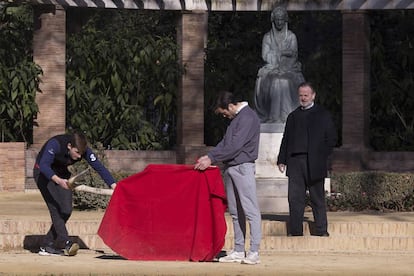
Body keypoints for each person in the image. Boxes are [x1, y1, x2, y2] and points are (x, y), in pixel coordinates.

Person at [194, 91, 262, 265]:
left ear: (231, 106)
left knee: (250, 210)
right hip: (232, 167)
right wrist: (209, 156)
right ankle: (239, 250)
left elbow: (235, 146)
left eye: (225, 112)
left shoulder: (247, 117)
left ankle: (254, 251)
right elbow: (225, 143)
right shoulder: (237, 119)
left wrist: (211, 158)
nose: (225, 116)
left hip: (243, 166)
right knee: (235, 211)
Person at [33, 130, 117, 256]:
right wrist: (58, 180)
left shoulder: (84, 150)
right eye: (77, 153)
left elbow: (99, 167)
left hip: (63, 175)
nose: (79, 157)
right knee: (55, 208)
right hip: (43, 174)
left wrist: (114, 186)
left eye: (81, 154)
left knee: (66, 210)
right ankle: (66, 243)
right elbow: (44, 165)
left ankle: (47, 244)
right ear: (69, 147)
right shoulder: (55, 144)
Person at [277, 82, 337, 237]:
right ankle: (296, 232)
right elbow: (286, 139)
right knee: (295, 199)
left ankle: (321, 231)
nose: (303, 98)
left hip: (315, 162)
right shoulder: (293, 116)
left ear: (313, 95)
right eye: (301, 95)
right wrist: (281, 159)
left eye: (306, 95)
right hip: (295, 162)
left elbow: (331, 139)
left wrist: (321, 155)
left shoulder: (323, 114)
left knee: (317, 198)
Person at [254, 6, 305, 124]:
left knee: (285, 81)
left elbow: (294, 54)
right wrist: (281, 54)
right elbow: (265, 55)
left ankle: (287, 116)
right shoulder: (267, 37)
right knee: (276, 81)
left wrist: (283, 58)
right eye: (277, 19)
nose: (279, 22)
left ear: (285, 20)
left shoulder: (291, 36)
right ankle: (274, 117)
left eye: (281, 19)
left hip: (289, 68)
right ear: (273, 20)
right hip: (271, 69)